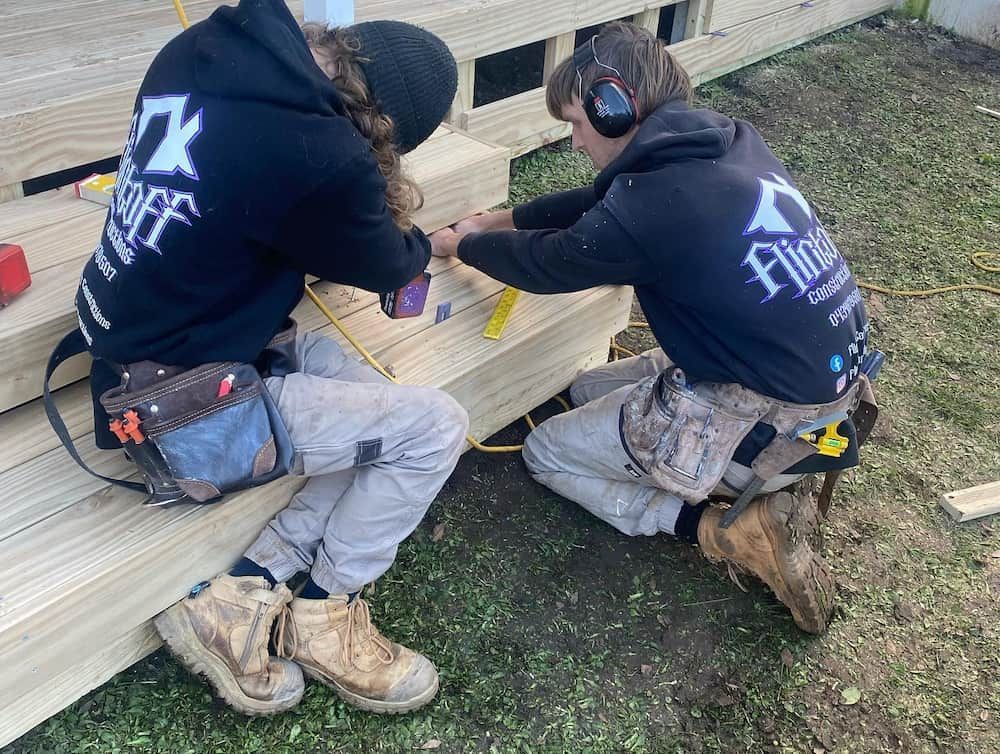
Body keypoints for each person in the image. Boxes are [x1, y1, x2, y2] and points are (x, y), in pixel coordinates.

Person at [74, 0, 466, 715]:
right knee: (435, 427)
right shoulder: (322, 152)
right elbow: (384, 262)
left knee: (372, 411)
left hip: (146, 344)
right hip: (183, 411)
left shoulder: (197, 52)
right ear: (386, 125)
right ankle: (324, 613)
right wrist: (417, 238)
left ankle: (247, 587)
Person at [431, 21, 874, 635]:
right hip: (821, 390)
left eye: (577, 126)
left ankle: (726, 530)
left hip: (764, 420)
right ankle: (748, 483)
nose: (577, 142)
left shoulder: (654, 210)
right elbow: (605, 200)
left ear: (613, 109)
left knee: (547, 453)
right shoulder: (728, 143)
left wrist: (463, 246)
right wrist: (499, 217)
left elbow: (549, 261)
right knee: (586, 386)